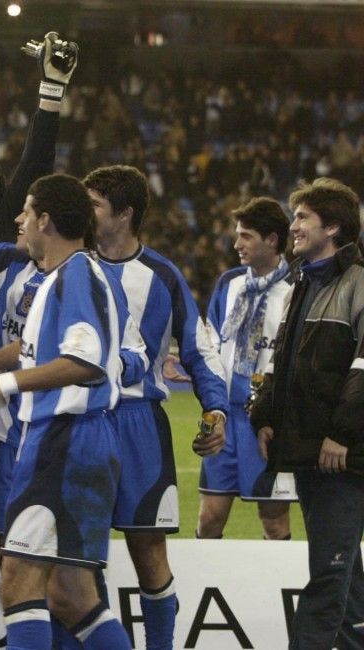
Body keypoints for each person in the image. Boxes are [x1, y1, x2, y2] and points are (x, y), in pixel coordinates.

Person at [0, 174, 132, 649]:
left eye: (26, 210)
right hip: (72, 440)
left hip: (64, 439)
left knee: (19, 579)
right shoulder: (62, 277)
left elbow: (84, 361)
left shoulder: (77, 275)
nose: (18, 219)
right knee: (70, 596)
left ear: (46, 220)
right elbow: (30, 349)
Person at [84, 164, 228, 650]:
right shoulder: (72, 266)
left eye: (95, 204)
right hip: (83, 420)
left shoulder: (163, 276)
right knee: (84, 557)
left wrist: (216, 410)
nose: (85, 212)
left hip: (139, 425)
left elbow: (198, 351)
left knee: (149, 553)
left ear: (124, 214)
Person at [250, 178, 364, 649]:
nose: (293, 226)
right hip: (310, 450)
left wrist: (342, 433)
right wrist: (264, 415)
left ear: (332, 227)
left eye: (302, 218)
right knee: (345, 575)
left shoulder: (358, 283)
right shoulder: (304, 282)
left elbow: (363, 367)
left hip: (343, 453)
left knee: (329, 574)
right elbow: (284, 361)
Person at [199, 197, 296, 539]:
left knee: (273, 519)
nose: (237, 244)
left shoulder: (297, 289)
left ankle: (278, 578)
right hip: (223, 416)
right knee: (209, 517)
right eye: (237, 235)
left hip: (268, 421)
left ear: (272, 239)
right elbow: (210, 340)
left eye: (246, 236)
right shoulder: (229, 283)